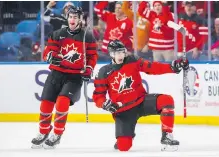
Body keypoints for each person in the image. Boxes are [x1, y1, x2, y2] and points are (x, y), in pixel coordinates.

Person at [92, 40, 189, 152]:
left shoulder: (132, 60)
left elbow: (152, 67)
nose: (120, 55)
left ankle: (167, 136)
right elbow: (98, 96)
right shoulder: (103, 72)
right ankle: (124, 136)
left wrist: (173, 67)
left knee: (166, 100)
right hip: (123, 111)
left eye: (122, 52)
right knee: (124, 147)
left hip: (141, 102)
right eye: (117, 53)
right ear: (111, 54)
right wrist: (104, 104)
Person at [31, 6, 98, 149]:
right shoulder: (57, 34)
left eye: (75, 17)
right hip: (56, 73)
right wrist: (51, 58)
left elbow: (92, 56)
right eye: (70, 17)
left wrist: (89, 69)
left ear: (80, 19)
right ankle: (43, 132)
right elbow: (48, 52)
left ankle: (57, 134)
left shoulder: (88, 36)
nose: (72, 19)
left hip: (74, 76)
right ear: (67, 18)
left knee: (62, 102)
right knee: (46, 103)